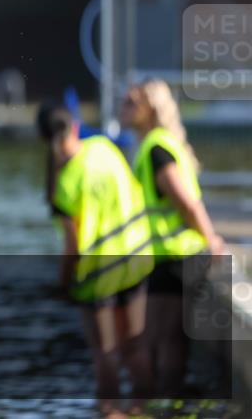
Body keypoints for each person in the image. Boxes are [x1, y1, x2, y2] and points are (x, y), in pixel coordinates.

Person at [37, 103, 153, 417]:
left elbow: (72, 247)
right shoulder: (103, 148)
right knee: (135, 346)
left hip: (99, 275)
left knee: (105, 353)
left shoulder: (65, 184)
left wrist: (63, 283)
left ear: (45, 140)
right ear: (75, 126)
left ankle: (111, 412)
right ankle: (144, 410)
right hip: (136, 259)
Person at [120, 79, 225, 397]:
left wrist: (212, 239)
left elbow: (186, 202)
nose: (122, 108)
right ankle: (166, 401)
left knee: (164, 339)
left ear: (149, 110)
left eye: (130, 103)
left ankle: (165, 405)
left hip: (177, 257)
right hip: (169, 257)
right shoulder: (159, 143)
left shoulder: (156, 149)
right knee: (165, 339)